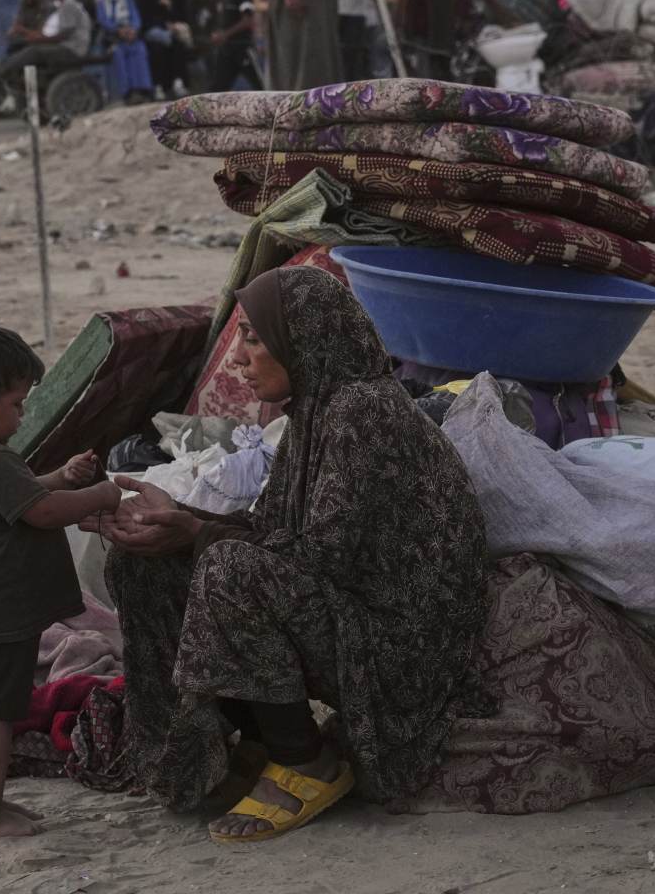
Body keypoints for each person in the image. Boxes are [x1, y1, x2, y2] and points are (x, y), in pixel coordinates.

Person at [82, 266, 492, 842]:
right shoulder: (316, 410)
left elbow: (316, 559)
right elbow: (271, 531)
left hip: (398, 639)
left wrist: (197, 536)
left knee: (229, 571)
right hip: (342, 607)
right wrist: (182, 521)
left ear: (303, 336)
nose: (240, 359)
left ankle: (305, 761)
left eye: (255, 337)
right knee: (144, 561)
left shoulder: (361, 412)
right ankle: (248, 742)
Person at [0, 324, 124, 841]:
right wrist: (100, 496)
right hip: (4, 613)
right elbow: (39, 513)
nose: (21, 416)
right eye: (16, 405)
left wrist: (61, 476)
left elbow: (21, 496)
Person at [0, 0, 92, 113]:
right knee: (22, 47)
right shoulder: (61, 6)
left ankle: (2, 69)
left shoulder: (68, 6)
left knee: (35, 51)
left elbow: (63, 35)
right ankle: (12, 80)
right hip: (64, 46)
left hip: (72, 49)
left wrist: (40, 39)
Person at [204, 0, 262, 93]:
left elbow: (248, 20)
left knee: (260, 86)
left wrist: (225, 34)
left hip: (242, 48)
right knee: (217, 87)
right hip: (226, 50)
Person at [94, 0, 155, 103]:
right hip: (114, 38)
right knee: (119, 54)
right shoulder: (101, 2)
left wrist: (133, 30)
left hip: (131, 36)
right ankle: (127, 92)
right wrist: (118, 30)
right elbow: (103, 21)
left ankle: (143, 89)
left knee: (140, 50)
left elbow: (136, 17)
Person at [136, 0, 192, 99]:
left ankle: (178, 83)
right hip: (150, 34)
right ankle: (158, 87)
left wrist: (169, 8)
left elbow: (175, 15)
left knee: (178, 46)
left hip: (168, 32)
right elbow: (145, 20)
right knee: (157, 51)